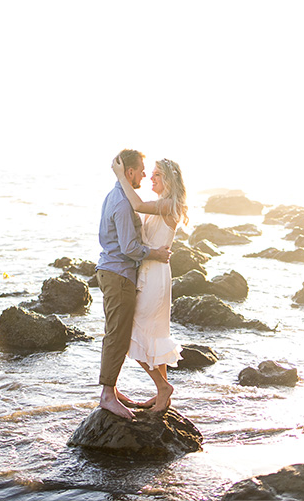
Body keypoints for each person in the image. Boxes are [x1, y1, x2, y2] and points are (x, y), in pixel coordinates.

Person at [96, 149, 171, 419]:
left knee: (115, 332)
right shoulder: (124, 202)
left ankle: (111, 390)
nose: (143, 175)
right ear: (129, 172)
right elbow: (129, 247)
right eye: (141, 170)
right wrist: (156, 254)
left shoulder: (116, 195)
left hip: (114, 272)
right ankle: (107, 395)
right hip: (119, 274)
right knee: (118, 335)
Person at [111, 154, 189, 413]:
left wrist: (121, 175)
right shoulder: (164, 204)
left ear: (167, 179)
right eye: (151, 173)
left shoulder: (168, 205)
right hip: (152, 272)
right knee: (154, 335)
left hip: (155, 276)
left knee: (137, 333)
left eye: (156, 174)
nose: (151, 178)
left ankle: (164, 388)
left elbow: (136, 204)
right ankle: (161, 394)